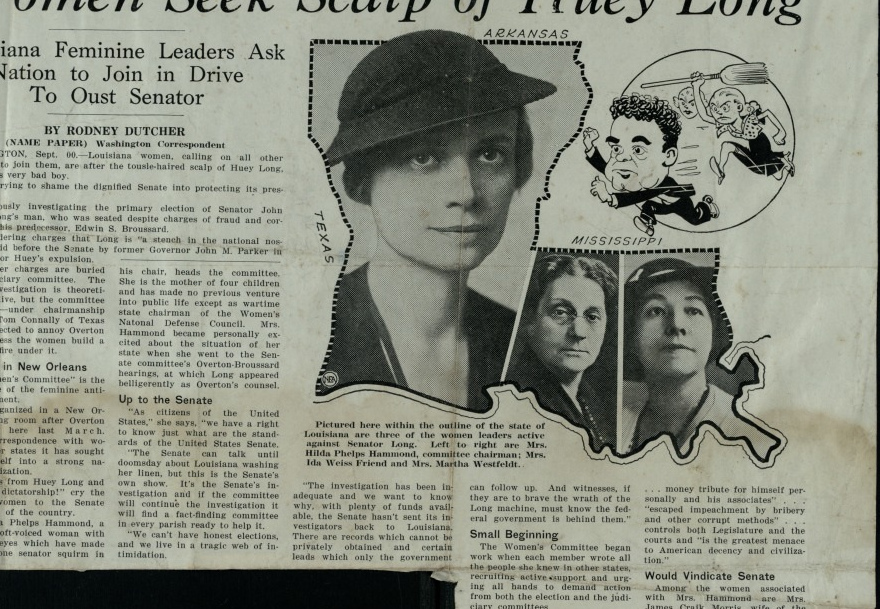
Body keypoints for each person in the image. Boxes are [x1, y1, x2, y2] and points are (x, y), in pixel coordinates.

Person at [315, 31, 556, 409]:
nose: (466, 193)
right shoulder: (308, 330)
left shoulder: (530, 348)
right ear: (363, 181)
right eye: (423, 158)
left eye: (490, 154)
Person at [621, 257, 781, 460]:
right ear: (631, 336)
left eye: (693, 310)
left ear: (713, 332)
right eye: (656, 311)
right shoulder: (611, 414)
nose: (676, 325)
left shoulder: (752, 440)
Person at [506, 253, 617, 451]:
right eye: (561, 312)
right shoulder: (518, 401)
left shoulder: (589, 400)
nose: (579, 332)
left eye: (592, 316)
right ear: (530, 321)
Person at [583, 92, 719, 236]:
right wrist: (590, 147)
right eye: (616, 149)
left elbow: (638, 196)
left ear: (669, 156)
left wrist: (609, 197)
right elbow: (607, 169)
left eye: (638, 150)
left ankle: (707, 206)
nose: (622, 158)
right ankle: (647, 223)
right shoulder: (632, 172)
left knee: (695, 218)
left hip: (678, 202)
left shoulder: (663, 185)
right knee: (649, 206)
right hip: (660, 204)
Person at [690, 74, 794, 184]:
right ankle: (721, 170)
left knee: (774, 173)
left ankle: (784, 162)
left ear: (739, 107)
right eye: (714, 109)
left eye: (725, 108)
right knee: (727, 146)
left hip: (761, 144)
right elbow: (704, 116)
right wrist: (696, 87)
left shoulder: (749, 118)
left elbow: (767, 113)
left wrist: (781, 132)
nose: (719, 113)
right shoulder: (726, 123)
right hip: (753, 149)